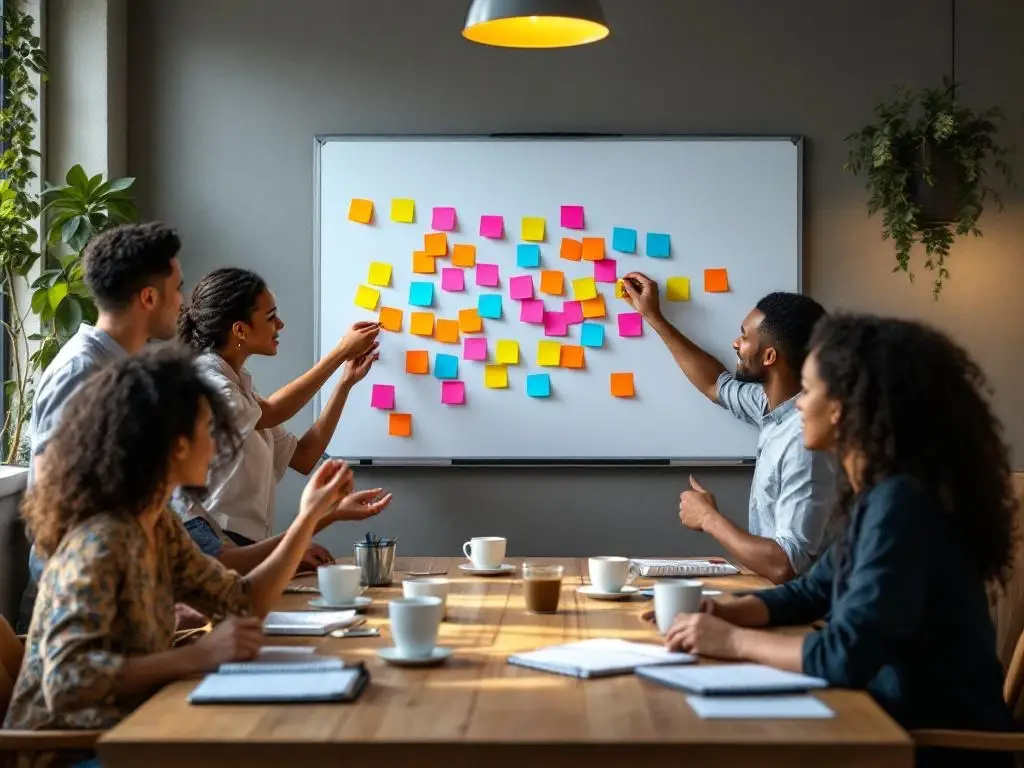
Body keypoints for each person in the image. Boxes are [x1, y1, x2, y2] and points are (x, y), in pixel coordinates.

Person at [652, 315, 1016, 767]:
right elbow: (811, 591)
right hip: (884, 722)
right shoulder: (881, 495)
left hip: (929, 745)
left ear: (843, 405)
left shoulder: (902, 504)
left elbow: (846, 655)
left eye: (809, 390)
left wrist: (731, 641)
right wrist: (725, 610)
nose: (800, 405)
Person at [4, 346, 361, 732]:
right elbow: (66, 682)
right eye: (209, 430)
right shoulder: (101, 540)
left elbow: (240, 603)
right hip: (77, 753)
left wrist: (309, 517)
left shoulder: (159, 525)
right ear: (176, 446)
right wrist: (196, 657)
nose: (219, 444)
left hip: (136, 731)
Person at [17, 222, 184, 632]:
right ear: (149, 297)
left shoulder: (120, 369)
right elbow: (58, 512)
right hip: (77, 617)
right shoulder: (82, 373)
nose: (182, 301)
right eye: (177, 288)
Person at [621, 273, 833, 583]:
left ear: (770, 356)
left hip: (806, 613)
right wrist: (654, 317)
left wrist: (709, 518)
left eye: (744, 336)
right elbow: (713, 383)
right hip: (774, 595)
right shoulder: (769, 405)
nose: (735, 343)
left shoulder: (806, 441)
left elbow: (786, 564)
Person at [174, 267, 383, 550]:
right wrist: (339, 353)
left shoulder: (242, 392)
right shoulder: (208, 384)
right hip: (211, 541)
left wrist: (344, 383)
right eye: (271, 318)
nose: (280, 325)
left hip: (241, 543)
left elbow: (304, 457)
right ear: (240, 330)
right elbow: (271, 412)